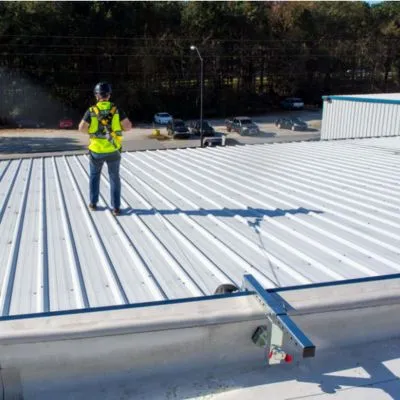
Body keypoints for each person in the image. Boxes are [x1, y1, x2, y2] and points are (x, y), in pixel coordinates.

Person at [78, 82, 132, 216]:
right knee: (114, 178)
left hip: (96, 151)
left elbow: (81, 128)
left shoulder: (91, 111)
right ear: (108, 95)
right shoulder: (117, 110)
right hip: (113, 151)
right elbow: (128, 127)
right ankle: (116, 208)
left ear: (96, 96)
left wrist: (93, 133)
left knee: (94, 176)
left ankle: (93, 203)